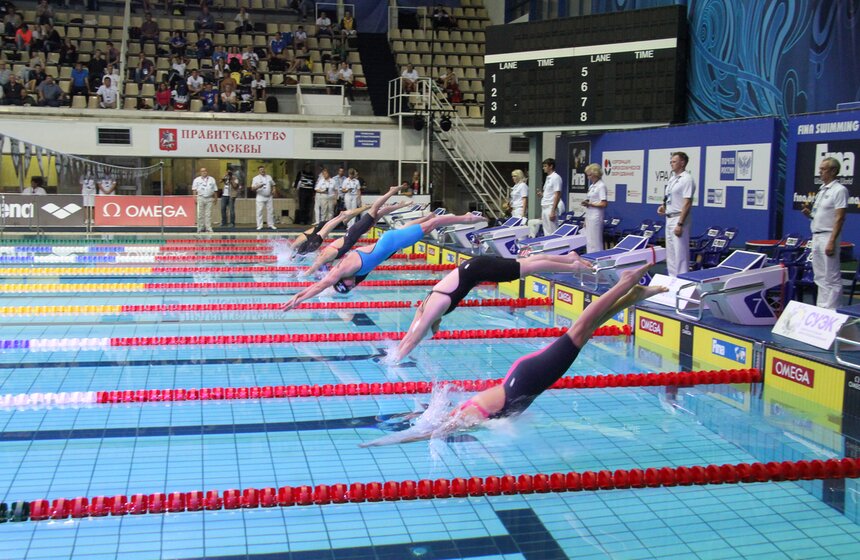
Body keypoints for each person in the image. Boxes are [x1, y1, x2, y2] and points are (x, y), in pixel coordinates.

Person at [360, 262, 666, 447]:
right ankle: (631, 296)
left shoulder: (462, 417)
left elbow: (428, 432)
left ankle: (625, 284)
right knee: (583, 333)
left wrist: (388, 440)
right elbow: (426, 422)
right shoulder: (461, 412)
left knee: (580, 328)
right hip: (523, 378)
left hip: (528, 379)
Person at [392, 253, 594, 361]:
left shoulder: (439, 305)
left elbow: (416, 333)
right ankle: (569, 257)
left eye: (433, 330)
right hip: (476, 265)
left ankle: (572, 267)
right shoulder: (426, 304)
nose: (436, 330)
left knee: (530, 267)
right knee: (528, 262)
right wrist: (400, 346)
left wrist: (397, 357)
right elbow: (415, 327)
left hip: (481, 268)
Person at [282, 211, 483, 307]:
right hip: (391, 244)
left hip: (391, 242)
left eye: (348, 287)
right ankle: (457, 217)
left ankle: (466, 218)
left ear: (345, 280)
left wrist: (297, 299)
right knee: (422, 224)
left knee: (435, 223)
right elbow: (320, 287)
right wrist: (299, 298)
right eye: (350, 289)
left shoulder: (342, 271)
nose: (352, 287)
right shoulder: (355, 274)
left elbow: (318, 286)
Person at [301, 186, 414, 276]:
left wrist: (303, 275)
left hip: (355, 231)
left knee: (374, 209)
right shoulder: (329, 258)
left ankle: (391, 192)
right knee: (379, 214)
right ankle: (400, 205)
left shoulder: (323, 257)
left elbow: (312, 269)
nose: (329, 268)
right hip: (357, 232)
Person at [802, 156, 848, 309]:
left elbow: (839, 218)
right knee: (820, 276)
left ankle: (833, 310)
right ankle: (822, 308)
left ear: (834, 171)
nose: (820, 172)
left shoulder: (839, 190)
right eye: (820, 169)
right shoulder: (822, 190)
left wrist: (832, 241)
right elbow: (821, 216)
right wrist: (810, 215)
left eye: (823, 169)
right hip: (817, 236)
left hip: (829, 236)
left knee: (831, 276)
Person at [657, 151, 694, 277]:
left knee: (680, 253)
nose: (671, 164)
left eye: (674, 161)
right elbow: (671, 197)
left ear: (682, 163)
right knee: (671, 253)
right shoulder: (673, 179)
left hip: (679, 218)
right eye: (671, 161)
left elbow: (687, 202)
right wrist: (664, 207)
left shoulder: (687, 179)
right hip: (669, 217)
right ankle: (672, 279)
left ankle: (682, 280)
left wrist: (680, 223)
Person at [290, 206, 368, 256]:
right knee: (342, 218)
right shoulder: (305, 244)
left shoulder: (305, 249)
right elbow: (293, 246)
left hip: (317, 236)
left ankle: (363, 208)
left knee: (343, 218)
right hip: (317, 232)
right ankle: (362, 208)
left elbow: (294, 246)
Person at [582, 163, 608, 253]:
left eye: (589, 175)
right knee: (589, 239)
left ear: (595, 174)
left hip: (596, 215)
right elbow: (590, 202)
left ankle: (597, 258)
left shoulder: (601, 186)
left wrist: (590, 204)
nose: (588, 177)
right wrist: (585, 219)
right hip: (589, 214)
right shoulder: (592, 186)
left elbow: (604, 203)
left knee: (595, 239)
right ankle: (590, 258)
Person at [540, 158, 564, 235]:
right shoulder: (548, 178)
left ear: (551, 166)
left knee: (552, 231)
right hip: (544, 206)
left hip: (550, 207)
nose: (543, 168)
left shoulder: (556, 177)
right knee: (546, 231)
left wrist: (553, 211)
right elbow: (550, 193)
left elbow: (557, 194)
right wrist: (542, 195)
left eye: (545, 166)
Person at [192, 167, 218, 233]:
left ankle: (208, 228)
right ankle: (200, 228)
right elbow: (194, 190)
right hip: (200, 197)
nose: (204, 172)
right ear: (200, 172)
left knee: (208, 214)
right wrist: (195, 198)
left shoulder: (212, 179)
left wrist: (215, 198)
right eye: (202, 171)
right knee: (200, 214)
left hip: (209, 198)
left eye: (205, 171)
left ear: (207, 172)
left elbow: (215, 189)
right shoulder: (196, 180)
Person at [251, 165, 277, 230]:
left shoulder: (269, 177)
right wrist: (258, 186)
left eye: (263, 169)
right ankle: (259, 225)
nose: (262, 170)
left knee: (270, 211)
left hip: (269, 196)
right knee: (259, 211)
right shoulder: (255, 178)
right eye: (261, 170)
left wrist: (274, 190)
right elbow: (252, 188)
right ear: (259, 171)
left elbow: (273, 184)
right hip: (260, 197)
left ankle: (271, 224)